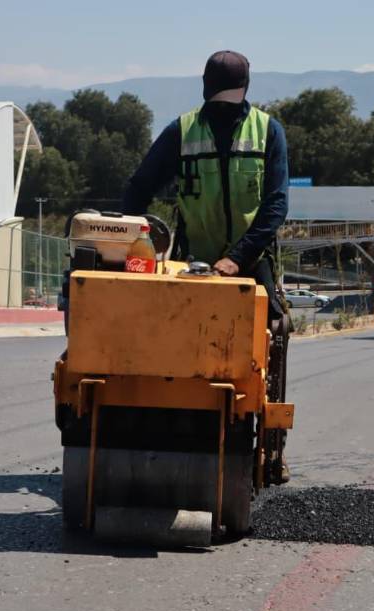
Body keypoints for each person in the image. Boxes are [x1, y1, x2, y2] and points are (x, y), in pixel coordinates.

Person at [122, 49, 291, 482]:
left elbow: (275, 206)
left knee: (274, 331)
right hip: (192, 262)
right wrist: (133, 240)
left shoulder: (267, 131)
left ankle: (272, 446)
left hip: (251, 260)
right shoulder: (183, 131)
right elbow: (139, 187)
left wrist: (237, 258)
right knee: (176, 342)